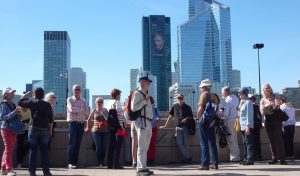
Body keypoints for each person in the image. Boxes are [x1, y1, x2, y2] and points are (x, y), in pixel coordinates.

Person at [18, 88, 54, 176]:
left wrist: (26, 94)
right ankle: (46, 172)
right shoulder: (47, 105)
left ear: (35, 95)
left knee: (33, 151)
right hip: (45, 130)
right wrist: (50, 131)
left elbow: (20, 102)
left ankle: (32, 172)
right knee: (44, 151)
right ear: (43, 95)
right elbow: (51, 119)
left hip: (33, 129)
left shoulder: (32, 103)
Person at [131, 73, 153, 176]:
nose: (149, 84)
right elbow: (133, 108)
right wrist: (145, 101)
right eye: (147, 82)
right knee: (142, 146)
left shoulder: (145, 94)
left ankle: (143, 166)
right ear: (142, 83)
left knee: (146, 145)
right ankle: (140, 169)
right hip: (141, 122)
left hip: (147, 121)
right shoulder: (137, 93)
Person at [161, 93, 193, 164]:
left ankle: (186, 159)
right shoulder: (174, 106)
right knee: (179, 143)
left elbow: (191, 117)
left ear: (183, 98)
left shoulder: (188, 107)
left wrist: (186, 119)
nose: (180, 99)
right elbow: (170, 117)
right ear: (177, 99)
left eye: (181, 98)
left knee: (186, 144)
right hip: (178, 127)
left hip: (186, 127)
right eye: (179, 98)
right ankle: (188, 157)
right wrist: (165, 125)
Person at [260, 84, 287, 165]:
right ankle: (274, 158)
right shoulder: (262, 100)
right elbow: (262, 111)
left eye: (268, 88)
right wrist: (270, 107)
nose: (267, 89)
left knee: (279, 139)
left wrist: (270, 107)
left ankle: (282, 159)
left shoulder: (276, 96)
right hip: (268, 120)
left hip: (276, 120)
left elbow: (278, 105)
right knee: (271, 140)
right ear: (263, 90)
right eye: (265, 88)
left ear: (270, 88)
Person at [196, 79, 219, 170]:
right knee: (212, 142)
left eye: (201, 88)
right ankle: (215, 163)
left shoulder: (204, 95)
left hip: (204, 121)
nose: (200, 89)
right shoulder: (214, 96)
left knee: (204, 142)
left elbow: (200, 109)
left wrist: (198, 118)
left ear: (204, 87)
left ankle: (205, 164)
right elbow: (217, 109)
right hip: (212, 121)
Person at [0, 87, 23, 176]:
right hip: (6, 129)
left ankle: (3, 169)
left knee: (8, 149)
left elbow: (14, 116)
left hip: (13, 128)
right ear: (6, 94)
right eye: (11, 93)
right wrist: (14, 112)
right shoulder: (3, 104)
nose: (13, 94)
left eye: (13, 92)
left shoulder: (13, 104)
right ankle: (9, 169)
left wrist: (19, 115)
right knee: (8, 149)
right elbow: (2, 117)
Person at [67, 84, 89, 169]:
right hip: (73, 124)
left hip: (81, 124)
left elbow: (87, 112)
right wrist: (82, 110)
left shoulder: (83, 100)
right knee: (72, 144)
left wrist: (78, 111)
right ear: (73, 90)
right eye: (76, 89)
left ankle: (75, 162)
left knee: (78, 144)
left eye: (78, 89)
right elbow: (72, 109)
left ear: (81, 91)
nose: (77, 91)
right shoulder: (70, 99)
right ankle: (70, 162)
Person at [86, 97, 109, 167]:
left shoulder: (105, 110)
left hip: (105, 131)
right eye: (98, 102)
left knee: (104, 146)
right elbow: (89, 120)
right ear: (96, 103)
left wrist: (103, 114)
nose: (99, 103)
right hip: (96, 131)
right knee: (99, 146)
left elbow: (108, 120)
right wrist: (88, 127)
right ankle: (100, 162)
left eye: (101, 102)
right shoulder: (94, 110)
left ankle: (102, 160)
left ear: (103, 103)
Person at [107, 89, 126, 169]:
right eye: (119, 95)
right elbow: (119, 115)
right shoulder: (117, 102)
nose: (120, 96)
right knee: (117, 146)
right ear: (117, 95)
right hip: (118, 127)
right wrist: (122, 127)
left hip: (111, 127)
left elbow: (106, 115)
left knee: (111, 145)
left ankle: (109, 163)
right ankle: (116, 164)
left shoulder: (109, 103)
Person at [220, 86, 240, 162]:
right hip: (236, 120)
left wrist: (221, 115)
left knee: (231, 140)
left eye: (222, 92)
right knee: (235, 139)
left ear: (225, 92)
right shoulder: (236, 98)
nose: (222, 94)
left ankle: (234, 157)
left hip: (230, 121)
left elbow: (226, 113)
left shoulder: (227, 100)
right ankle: (237, 156)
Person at [238, 87, 254, 165]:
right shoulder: (242, 102)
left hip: (247, 126)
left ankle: (250, 159)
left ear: (244, 94)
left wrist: (248, 126)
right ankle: (245, 159)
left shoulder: (248, 102)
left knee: (249, 143)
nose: (239, 94)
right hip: (242, 126)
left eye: (240, 93)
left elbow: (249, 115)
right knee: (245, 143)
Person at [249, 94, 263, 161]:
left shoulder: (251, 106)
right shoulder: (256, 106)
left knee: (252, 141)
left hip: (252, 125)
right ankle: (259, 156)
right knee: (257, 141)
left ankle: (254, 156)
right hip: (257, 124)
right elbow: (259, 116)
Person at [147, 96, 160, 166]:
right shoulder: (145, 109)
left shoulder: (155, 109)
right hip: (146, 129)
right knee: (146, 145)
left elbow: (158, 117)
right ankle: (146, 159)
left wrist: (157, 123)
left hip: (153, 128)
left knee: (152, 145)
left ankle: (151, 160)